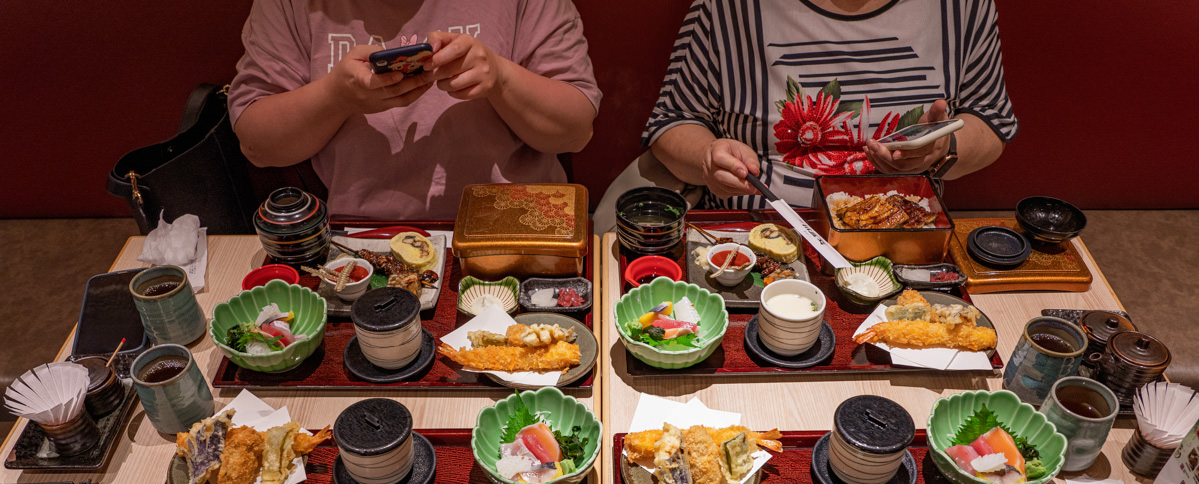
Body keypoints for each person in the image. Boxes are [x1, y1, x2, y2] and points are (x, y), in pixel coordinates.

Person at [599, 0, 1016, 224]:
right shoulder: (729, 9)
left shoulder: (962, 8)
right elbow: (673, 122)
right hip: (754, 233)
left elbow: (991, 121)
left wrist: (941, 149)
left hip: (906, 236)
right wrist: (709, 159)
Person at [228, 0, 602, 220]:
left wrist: (501, 79)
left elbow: (576, 131)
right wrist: (335, 97)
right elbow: (259, 146)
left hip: (519, 224)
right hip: (362, 237)